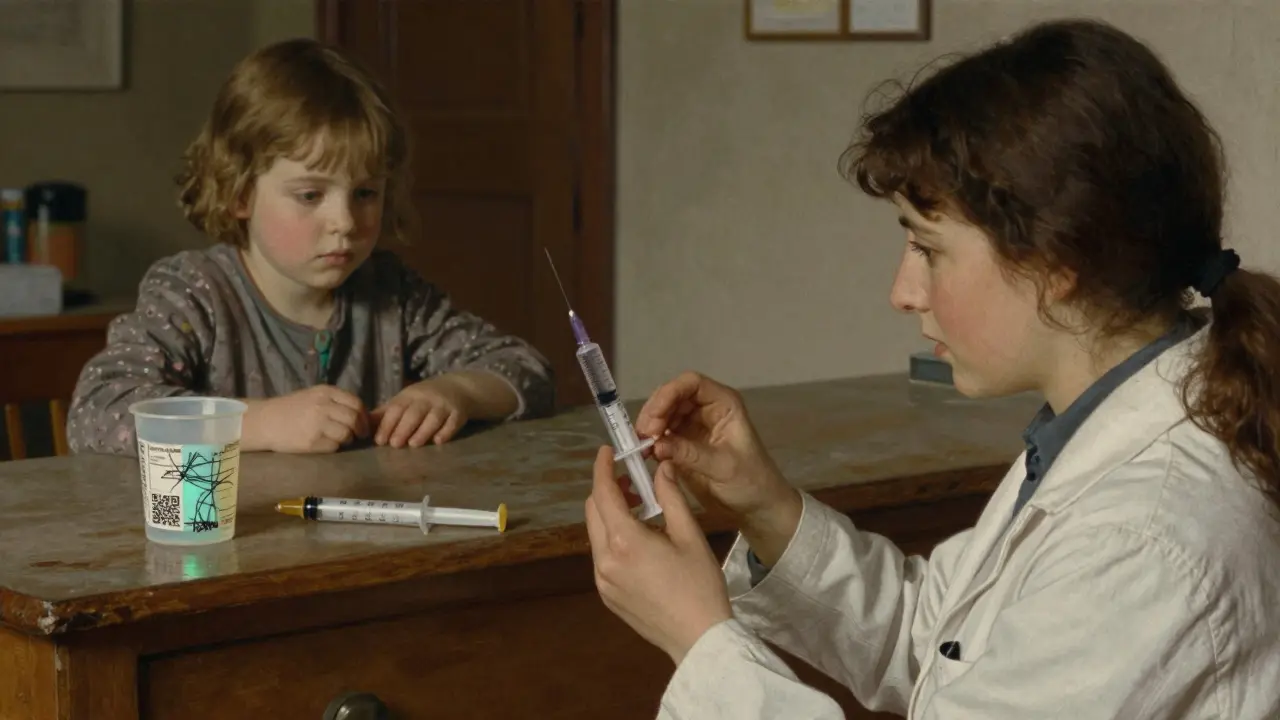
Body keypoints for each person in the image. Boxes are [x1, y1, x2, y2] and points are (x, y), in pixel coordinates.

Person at [584, 19, 1280, 719]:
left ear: (1056, 261)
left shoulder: (1140, 541)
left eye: (929, 249)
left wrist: (700, 642)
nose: (902, 292)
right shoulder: (1103, 427)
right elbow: (944, 644)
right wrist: (766, 508)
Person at [67, 39, 554, 456]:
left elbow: (527, 370)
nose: (344, 222)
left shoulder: (393, 294)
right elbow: (97, 410)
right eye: (310, 195)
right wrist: (259, 424)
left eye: (365, 193)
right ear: (239, 193)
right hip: (226, 549)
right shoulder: (192, 294)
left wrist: (457, 392)